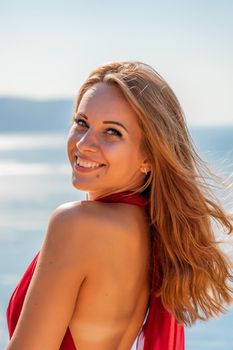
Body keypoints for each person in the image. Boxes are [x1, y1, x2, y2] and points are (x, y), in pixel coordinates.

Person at [6, 61, 233, 350]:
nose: (85, 143)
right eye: (81, 123)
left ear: (148, 158)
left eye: (112, 132)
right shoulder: (152, 230)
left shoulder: (75, 225)